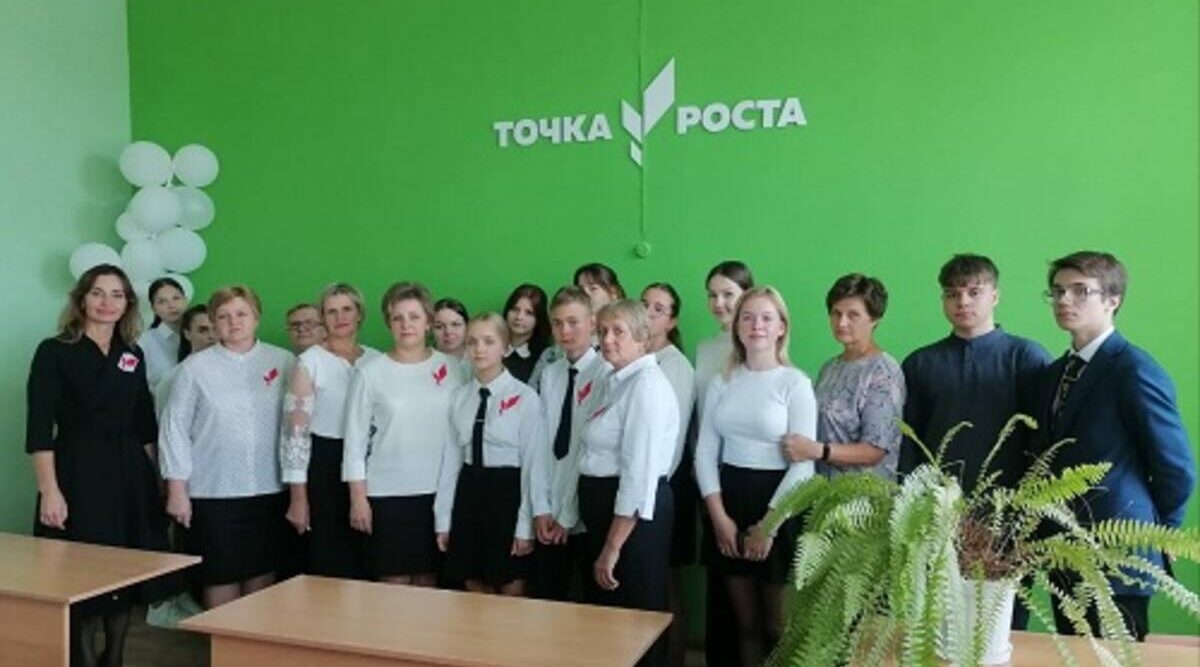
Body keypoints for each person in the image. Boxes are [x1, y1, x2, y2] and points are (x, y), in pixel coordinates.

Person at [1034, 251, 1194, 640]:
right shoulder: (1055, 373)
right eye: (1057, 291)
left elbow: (1176, 467)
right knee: (1070, 657)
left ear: (1112, 300)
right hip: (1064, 549)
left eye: (1080, 291)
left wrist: (1164, 533)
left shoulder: (1134, 369)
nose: (1064, 300)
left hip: (1120, 550)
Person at [26, 264, 170, 667]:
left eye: (117, 294)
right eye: (98, 293)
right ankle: (85, 659)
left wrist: (159, 482)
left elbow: (144, 424)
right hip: (76, 471)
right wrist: (49, 491)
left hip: (129, 474)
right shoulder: (54, 351)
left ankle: (116, 656)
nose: (107, 302)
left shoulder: (132, 354)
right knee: (80, 571)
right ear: (82, 299)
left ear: (128, 303)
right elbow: (39, 427)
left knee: (124, 568)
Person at [694, 286, 817, 667]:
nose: (756, 325)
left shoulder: (795, 383)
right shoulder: (723, 381)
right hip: (729, 501)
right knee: (744, 624)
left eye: (766, 317)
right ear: (737, 327)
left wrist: (769, 525)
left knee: (778, 625)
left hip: (779, 505)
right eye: (747, 317)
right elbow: (705, 451)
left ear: (781, 327)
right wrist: (718, 517)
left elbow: (803, 464)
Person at [160, 285, 294, 609]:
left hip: (269, 488)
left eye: (241, 314)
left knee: (262, 575)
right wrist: (176, 490)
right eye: (223, 316)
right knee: (219, 576)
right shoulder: (194, 369)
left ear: (256, 317)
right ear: (214, 322)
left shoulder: (283, 361)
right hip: (212, 492)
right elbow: (174, 429)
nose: (234, 322)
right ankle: (221, 640)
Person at [343, 281, 468, 585]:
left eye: (414, 316)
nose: (406, 324)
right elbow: (355, 441)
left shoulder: (455, 369)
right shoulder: (370, 372)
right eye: (397, 317)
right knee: (393, 586)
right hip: (387, 496)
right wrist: (358, 499)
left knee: (430, 585)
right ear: (389, 323)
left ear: (428, 321)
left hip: (440, 495)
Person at [578, 299, 679, 667]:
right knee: (608, 617)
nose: (607, 339)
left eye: (618, 331)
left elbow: (638, 477)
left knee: (636, 617)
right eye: (603, 331)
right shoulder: (615, 380)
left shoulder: (647, 387)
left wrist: (613, 546)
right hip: (605, 509)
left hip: (632, 521)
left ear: (642, 338)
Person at [899, 254, 1051, 492]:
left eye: (974, 292)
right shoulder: (919, 363)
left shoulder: (1026, 357)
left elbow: (1044, 439)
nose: (963, 302)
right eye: (952, 294)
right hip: (934, 500)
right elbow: (908, 442)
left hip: (1010, 500)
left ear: (995, 296)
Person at [435, 313, 545, 595]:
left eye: (488, 341)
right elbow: (451, 461)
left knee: (510, 587)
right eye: (472, 342)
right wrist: (443, 519)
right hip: (469, 495)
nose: (479, 349)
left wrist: (525, 527)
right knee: (473, 587)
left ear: (505, 347)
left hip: (507, 496)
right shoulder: (460, 397)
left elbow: (533, 465)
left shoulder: (526, 398)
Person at [280, 283, 381, 579]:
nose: (340, 317)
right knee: (332, 556)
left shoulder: (376, 360)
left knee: (370, 555)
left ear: (359, 313)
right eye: (332, 311)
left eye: (347, 309)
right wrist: (298, 498)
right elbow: (294, 436)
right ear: (323, 317)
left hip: (370, 464)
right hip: (325, 464)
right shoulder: (309, 362)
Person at [530, 286, 610, 601]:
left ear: (592, 323)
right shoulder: (551, 374)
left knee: (592, 603)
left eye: (573, 322)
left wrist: (567, 513)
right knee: (549, 599)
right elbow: (540, 446)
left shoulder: (605, 373)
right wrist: (541, 507)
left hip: (585, 509)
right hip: (549, 510)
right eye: (558, 323)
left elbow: (586, 450)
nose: (565, 331)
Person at [782, 274, 904, 479]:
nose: (842, 322)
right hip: (822, 489)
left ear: (874, 319)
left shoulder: (883, 372)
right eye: (836, 313)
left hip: (863, 493)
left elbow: (875, 450)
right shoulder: (830, 368)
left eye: (853, 315)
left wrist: (818, 451)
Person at [694, 260, 753, 667]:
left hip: (747, 475)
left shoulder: (759, 347)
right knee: (720, 582)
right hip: (708, 474)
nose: (719, 303)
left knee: (752, 596)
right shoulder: (704, 348)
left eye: (728, 294)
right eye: (713, 295)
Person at [641, 282, 696, 667]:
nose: (648, 313)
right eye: (644, 304)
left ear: (672, 321)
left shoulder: (675, 366)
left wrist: (649, 491)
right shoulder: (631, 355)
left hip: (665, 486)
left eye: (658, 309)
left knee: (665, 579)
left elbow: (670, 445)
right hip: (637, 486)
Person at [528, 263, 625, 388]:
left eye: (593, 288)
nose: (585, 294)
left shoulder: (623, 343)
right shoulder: (555, 352)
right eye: (580, 289)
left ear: (613, 294)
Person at [153, 304, 215, 416]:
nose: (212, 336)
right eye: (203, 330)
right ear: (187, 334)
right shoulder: (173, 379)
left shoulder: (233, 373)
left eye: (216, 329)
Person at [138, 276, 188, 388]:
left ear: (185, 300)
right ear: (153, 308)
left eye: (176, 298)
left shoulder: (203, 334)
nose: (171, 305)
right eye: (162, 301)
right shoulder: (145, 341)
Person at [501, 284, 550, 383]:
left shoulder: (546, 356)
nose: (519, 317)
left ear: (539, 318)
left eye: (529, 313)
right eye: (515, 309)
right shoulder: (492, 346)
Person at [432, 297, 470, 368]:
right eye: (439, 326)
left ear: (467, 326)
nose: (448, 332)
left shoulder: (477, 358)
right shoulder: (424, 362)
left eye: (455, 324)